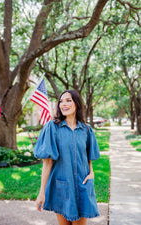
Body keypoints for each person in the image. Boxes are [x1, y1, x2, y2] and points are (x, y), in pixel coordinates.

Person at [34, 89, 100, 225]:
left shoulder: (86, 130)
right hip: (62, 186)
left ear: (77, 104)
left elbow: (88, 156)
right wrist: (42, 192)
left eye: (68, 100)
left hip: (83, 184)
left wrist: (91, 172)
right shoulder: (52, 128)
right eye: (61, 101)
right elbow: (47, 162)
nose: (63, 104)